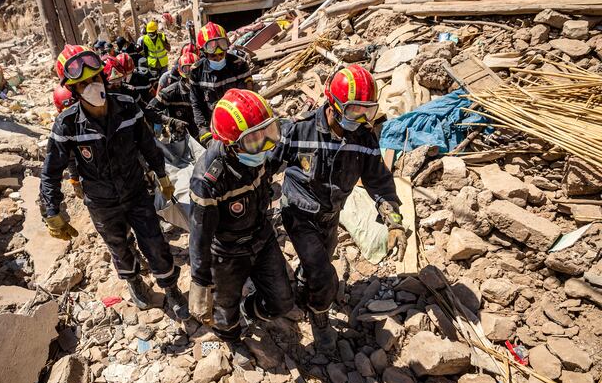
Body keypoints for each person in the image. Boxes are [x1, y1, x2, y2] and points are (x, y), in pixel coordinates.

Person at [40, 45, 189, 319]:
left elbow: (148, 144)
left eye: (95, 78)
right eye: (82, 83)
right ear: (72, 89)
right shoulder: (67, 125)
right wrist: (52, 211)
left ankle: (171, 289)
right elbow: (50, 171)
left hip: (135, 192)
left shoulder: (127, 106)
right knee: (119, 246)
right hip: (101, 202)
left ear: (103, 77)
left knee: (154, 242)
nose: (91, 86)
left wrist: (162, 174)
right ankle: (135, 283)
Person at [268, 64, 405, 355]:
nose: (362, 118)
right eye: (355, 110)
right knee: (323, 271)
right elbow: (264, 165)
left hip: (331, 216)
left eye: (367, 111)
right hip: (299, 213)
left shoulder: (364, 139)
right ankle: (320, 317)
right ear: (333, 104)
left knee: (315, 267)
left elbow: (378, 180)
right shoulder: (299, 130)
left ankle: (305, 292)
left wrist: (393, 219)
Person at [188, 88, 293, 342]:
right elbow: (200, 237)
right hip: (227, 253)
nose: (267, 144)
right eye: (255, 139)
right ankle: (231, 339)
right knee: (225, 315)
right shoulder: (208, 180)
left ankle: (251, 310)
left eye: (269, 133)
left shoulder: (257, 153)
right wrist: (200, 282)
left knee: (283, 302)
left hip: (262, 236)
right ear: (231, 143)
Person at [188, 22, 252, 145]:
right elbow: (196, 103)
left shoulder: (239, 65)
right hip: (213, 126)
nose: (218, 57)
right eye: (213, 55)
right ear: (204, 52)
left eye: (221, 54)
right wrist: (203, 129)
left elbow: (247, 98)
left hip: (239, 124)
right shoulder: (196, 71)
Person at [147, 52, 199, 140]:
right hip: (180, 138)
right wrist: (171, 121)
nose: (191, 73)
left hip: (205, 136)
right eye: (186, 68)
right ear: (180, 71)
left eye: (195, 69)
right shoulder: (171, 92)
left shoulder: (207, 88)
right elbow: (149, 110)